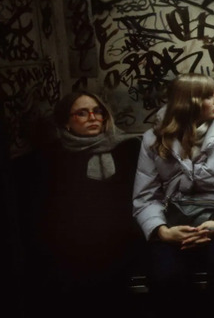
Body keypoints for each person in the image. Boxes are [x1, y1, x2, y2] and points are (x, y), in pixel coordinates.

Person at [132, 73, 214, 318]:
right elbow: (145, 197)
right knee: (165, 275)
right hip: (171, 220)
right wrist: (163, 232)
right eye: (209, 96)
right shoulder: (154, 140)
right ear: (189, 103)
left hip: (213, 218)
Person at [31, 91, 142, 317]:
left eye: (97, 111)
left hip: (123, 241)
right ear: (67, 122)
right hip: (75, 249)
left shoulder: (128, 148)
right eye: (82, 113)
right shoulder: (53, 156)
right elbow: (51, 212)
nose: (92, 117)